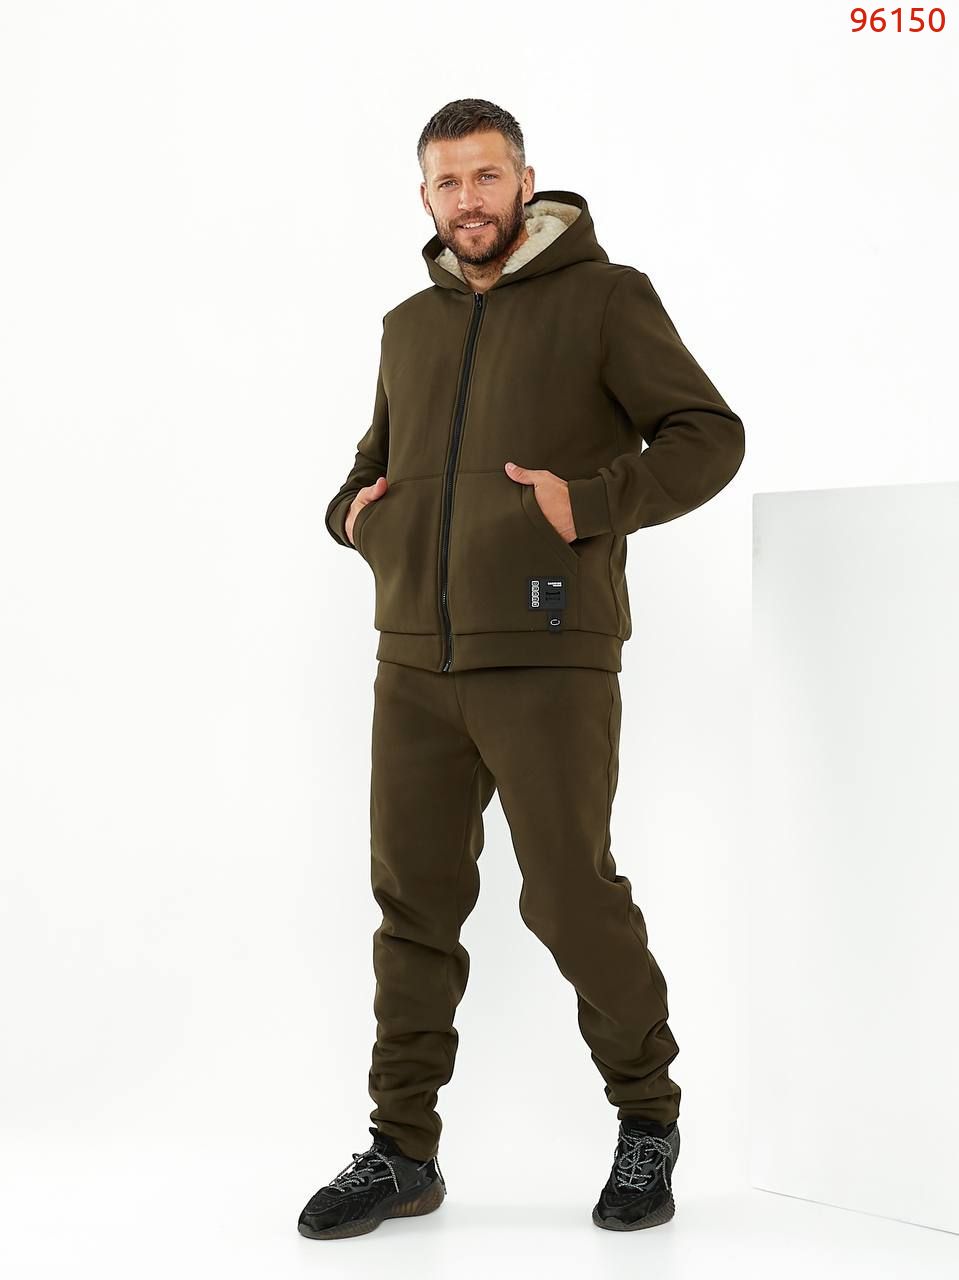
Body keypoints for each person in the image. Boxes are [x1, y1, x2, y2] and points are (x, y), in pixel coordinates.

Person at [298, 97, 745, 1241]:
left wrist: (587, 503)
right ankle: (401, 1149)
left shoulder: (605, 297)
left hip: (548, 652)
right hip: (413, 659)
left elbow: (707, 433)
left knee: (566, 894)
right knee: (411, 903)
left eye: (486, 177)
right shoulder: (407, 325)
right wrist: (353, 518)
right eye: (447, 183)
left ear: (526, 182)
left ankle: (645, 1114)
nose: (468, 200)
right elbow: (370, 464)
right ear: (424, 197)